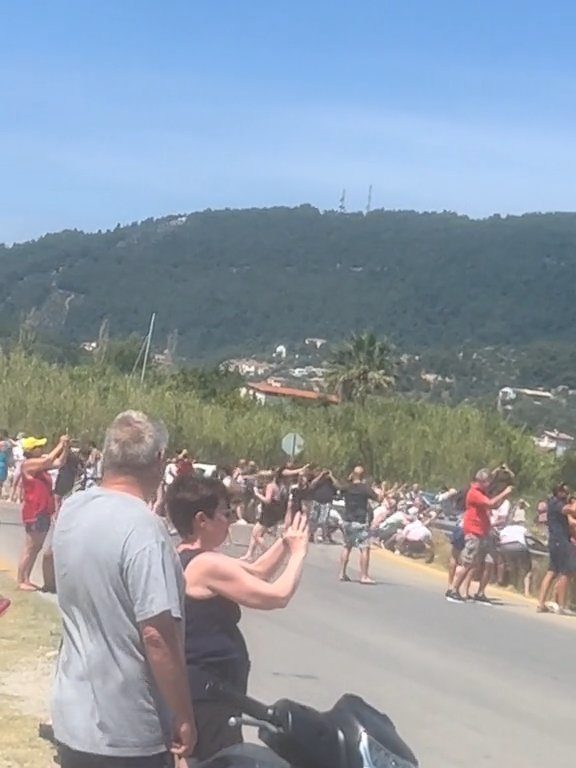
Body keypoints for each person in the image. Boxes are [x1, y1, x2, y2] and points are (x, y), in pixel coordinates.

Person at [51, 410, 196, 767]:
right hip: (127, 728)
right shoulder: (145, 530)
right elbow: (157, 636)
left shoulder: (72, 509)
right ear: (159, 461)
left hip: (72, 714)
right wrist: (183, 714)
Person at [167, 473, 308, 762]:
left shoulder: (193, 557)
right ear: (201, 520)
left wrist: (284, 541)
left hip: (212, 689)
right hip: (209, 694)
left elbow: (256, 571)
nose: (229, 520)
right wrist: (298, 553)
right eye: (224, 513)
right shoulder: (205, 564)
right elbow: (276, 595)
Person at [446, 468, 513, 605]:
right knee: (467, 562)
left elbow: (493, 505)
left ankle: (461, 590)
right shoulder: (474, 493)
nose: (489, 484)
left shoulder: (481, 493)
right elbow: (490, 503)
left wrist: (503, 495)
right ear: (481, 481)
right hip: (473, 531)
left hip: (481, 531)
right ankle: (453, 590)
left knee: (474, 562)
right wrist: (504, 493)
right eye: (487, 481)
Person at [17, 435, 69, 591]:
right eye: (38, 447)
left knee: (37, 547)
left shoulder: (40, 467)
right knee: (30, 546)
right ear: (31, 451)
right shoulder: (28, 464)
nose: (41, 449)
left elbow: (59, 463)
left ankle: (27, 577)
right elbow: (48, 461)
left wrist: (65, 448)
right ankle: (21, 579)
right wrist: (59, 444)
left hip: (43, 510)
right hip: (34, 510)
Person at [537, 484, 576, 615]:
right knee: (565, 572)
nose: (566, 493)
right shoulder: (556, 503)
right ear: (558, 492)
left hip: (556, 541)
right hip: (560, 540)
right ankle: (561, 605)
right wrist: (574, 502)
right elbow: (571, 511)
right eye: (564, 491)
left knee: (552, 571)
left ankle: (541, 603)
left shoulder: (554, 503)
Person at [338, 466, 381, 584]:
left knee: (347, 546)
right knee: (365, 548)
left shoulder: (347, 487)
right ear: (363, 476)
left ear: (353, 474)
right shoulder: (365, 488)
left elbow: (339, 489)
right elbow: (378, 499)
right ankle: (364, 576)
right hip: (360, 521)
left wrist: (349, 479)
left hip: (347, 520)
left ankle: (342, 573)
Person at [499, 506, 533, 598]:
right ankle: (526, 591)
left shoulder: (507, 528)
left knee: (511, 565)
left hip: (505, 546)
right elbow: (530, 539)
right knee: (527, 569)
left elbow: (500, 536)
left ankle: (511, 584)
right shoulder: (523, 529)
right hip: (519, 546)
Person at [0, 430, 12, 498]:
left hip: (2, 466)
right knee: (1, 482)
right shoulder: (7, 444)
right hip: (4, 466)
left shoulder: (3, 454)